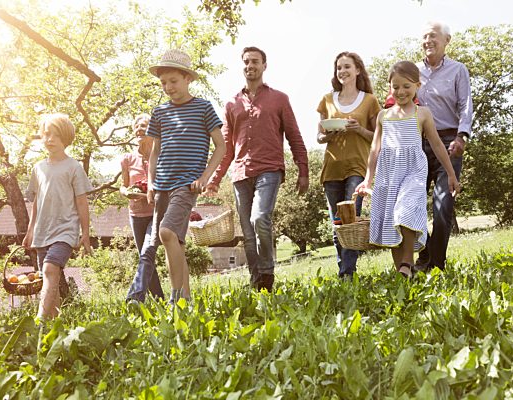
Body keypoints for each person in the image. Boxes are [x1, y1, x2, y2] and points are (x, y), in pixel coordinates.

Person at [206, 46, 309, 291]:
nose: (250, 65)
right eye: (246, 62)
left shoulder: (279, 99)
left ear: (264, 65)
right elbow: (227, 146)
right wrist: (215, 177)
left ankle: (267, 273)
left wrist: (303, 170)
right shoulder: (232, 103)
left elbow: (294, 136)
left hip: (270, 169)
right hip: (240, 173)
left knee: (259, 218)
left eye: (255, 61)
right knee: (248, 234)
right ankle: (257, 283)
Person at [130, 49, 225, 305]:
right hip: (162, 184)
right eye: (163, 83)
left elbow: (221, 146)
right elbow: (155, 152)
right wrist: (150, 181)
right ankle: (186, 299)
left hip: (187, 184)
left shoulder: (203, 108)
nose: (168, 87)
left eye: (173, 81)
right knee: (176, 244)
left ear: (187, 79)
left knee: (166, 232)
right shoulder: (159, 113)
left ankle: (173, 300)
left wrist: (205, 177)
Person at [355, 61, 460, 278]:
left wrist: (451, 173)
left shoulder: (422, 114)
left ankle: (407, 261)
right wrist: (368, 179)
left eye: (406, 86)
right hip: (388, 173)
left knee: (406, 210)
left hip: (413, 171)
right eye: (396, 86)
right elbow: (375, 148)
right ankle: (403, 274)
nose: (401, 91)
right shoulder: (384, 116)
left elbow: (438, 145)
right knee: (392, 218)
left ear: (417, 86)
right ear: (389, 88)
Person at [414, 21, 473, 272]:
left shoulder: (458, 70)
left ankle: (435, 264)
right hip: (417, 143)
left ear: (447, 40)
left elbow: (465, 106)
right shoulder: (412, 71)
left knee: (442, 206)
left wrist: (461, 137)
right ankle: (426, 253)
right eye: (424, 36)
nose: (428, 40)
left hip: (449, 142)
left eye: (433, 36)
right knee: (411, 205)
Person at [317, 51, 381, 280]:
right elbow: (319, 136)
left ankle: (347, 273)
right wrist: (328, 136)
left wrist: (359, 130)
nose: (342, 71)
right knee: (337, 224)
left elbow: (379, 136)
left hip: (358, 167)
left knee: (350, 220)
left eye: (347, 67)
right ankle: (342, 270)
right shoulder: (327, 99)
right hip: (332, 168)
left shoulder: (370, 101)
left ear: (358, 70)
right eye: (339, 68)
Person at [23, 113, 93, 319]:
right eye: (47, 134)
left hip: (65, 230)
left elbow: (82, 202)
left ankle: (40, 320)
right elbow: (37, 202)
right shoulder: (38, 168)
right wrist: (30, 231)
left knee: (50, 269)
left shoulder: (73, 167)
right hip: (42, 232)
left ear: (67, 139)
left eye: (56, 135)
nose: (50, 139)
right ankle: (54, 325)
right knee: (48, 277)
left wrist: (86, 233)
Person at [122, 114, 164, 302]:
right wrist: (125, 193)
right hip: (136, 213)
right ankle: (160, 300)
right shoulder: (128, 159)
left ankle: (135, 297)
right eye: (137, 126)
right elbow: (123, 186)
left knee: (147, 252)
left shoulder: (161, 155)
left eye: (144, 125)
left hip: (156, 211)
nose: (139, 128)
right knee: (146, 259)